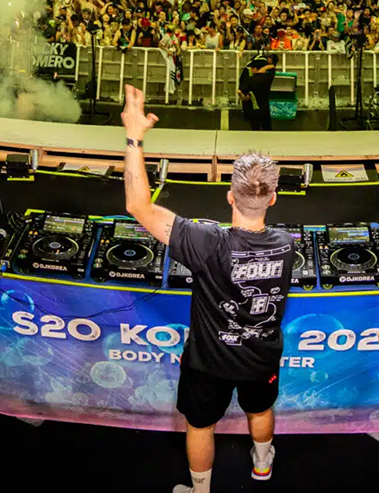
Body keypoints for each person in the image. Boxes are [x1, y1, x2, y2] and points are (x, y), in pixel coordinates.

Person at [122, 84, 292, 490]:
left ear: (230, 196)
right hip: (261, 359)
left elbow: (138, 206)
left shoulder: (207, 242)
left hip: (208, 364)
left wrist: (133, 136)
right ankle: (263, 465)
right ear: (272, 199)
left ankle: (200, 490)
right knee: (260, 409)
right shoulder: (287, 244)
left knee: (200, 426)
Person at [237, 53, 276, 132]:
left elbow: (241, 92)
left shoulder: (250, 80)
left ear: (255, 68)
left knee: (255, 130)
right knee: (267, 129)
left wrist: (242, 96)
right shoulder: (268, 78)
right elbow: (273, 67)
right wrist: (264, 68)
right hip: (264, 109)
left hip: (253, 109)